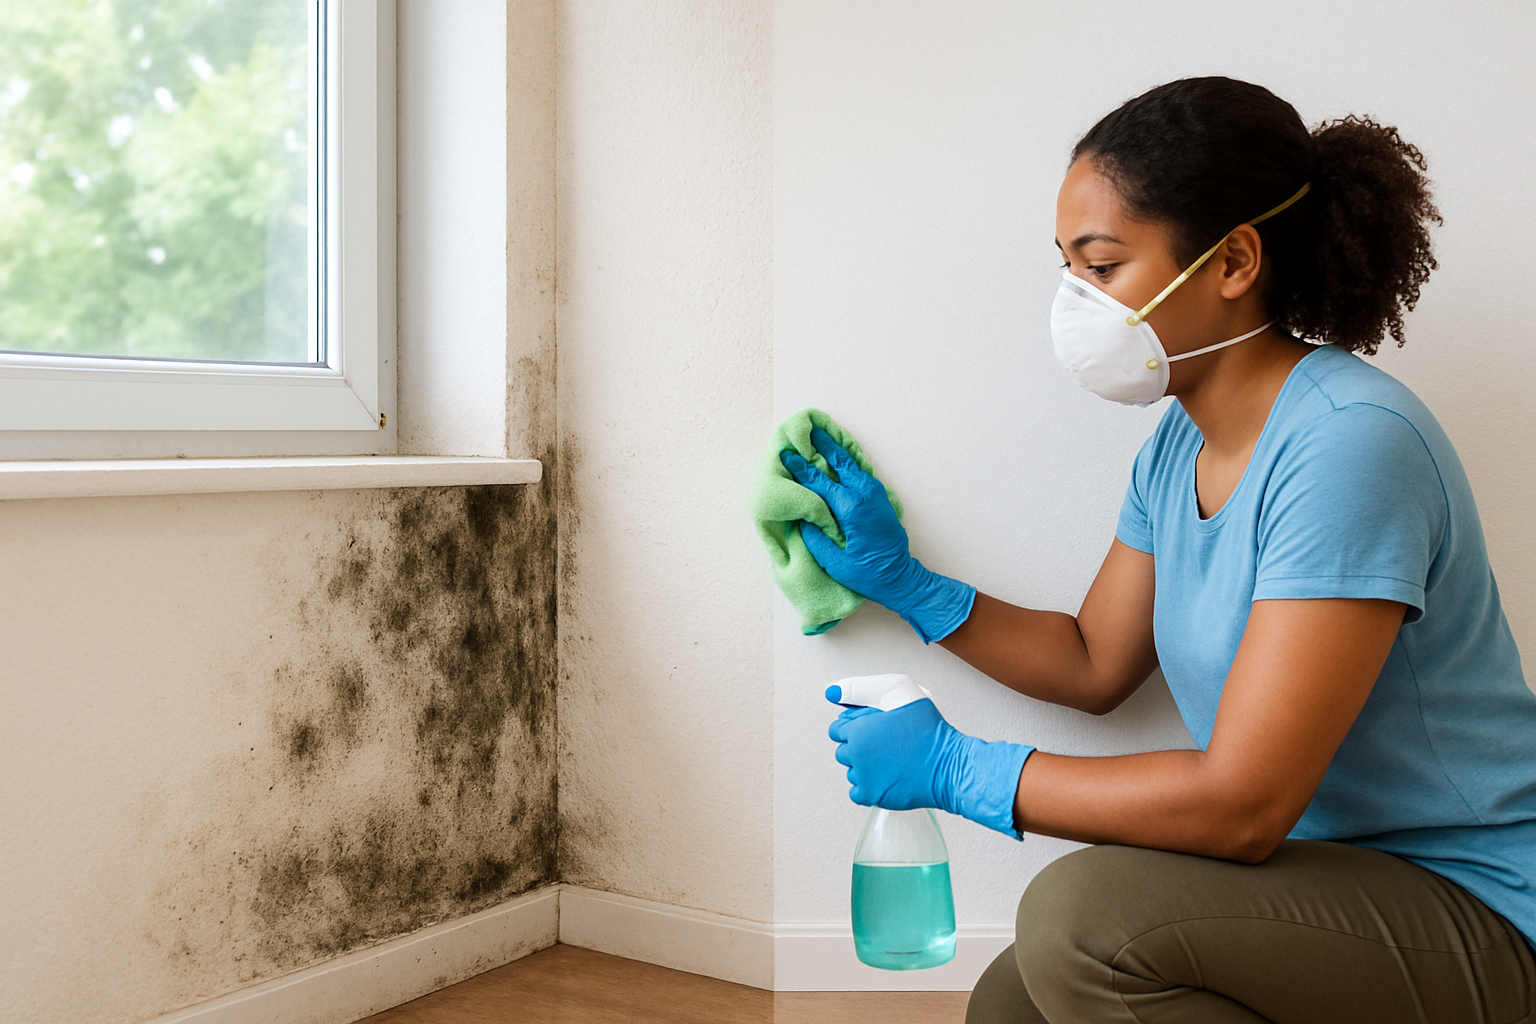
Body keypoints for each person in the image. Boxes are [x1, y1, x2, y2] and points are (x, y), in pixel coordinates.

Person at [780, 77, 1536, 1023]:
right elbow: (1096, 662)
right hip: (1333, 882)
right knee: (1012, 1001)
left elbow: (1244, 804)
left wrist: (959, 770)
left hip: (1483, 908)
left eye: (1101, 267)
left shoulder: (1350, 443)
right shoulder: (1178, 445)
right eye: (1065, 268)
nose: (1073, 301)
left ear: (1232, 261)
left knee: (1078, 918)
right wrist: (908, 585)